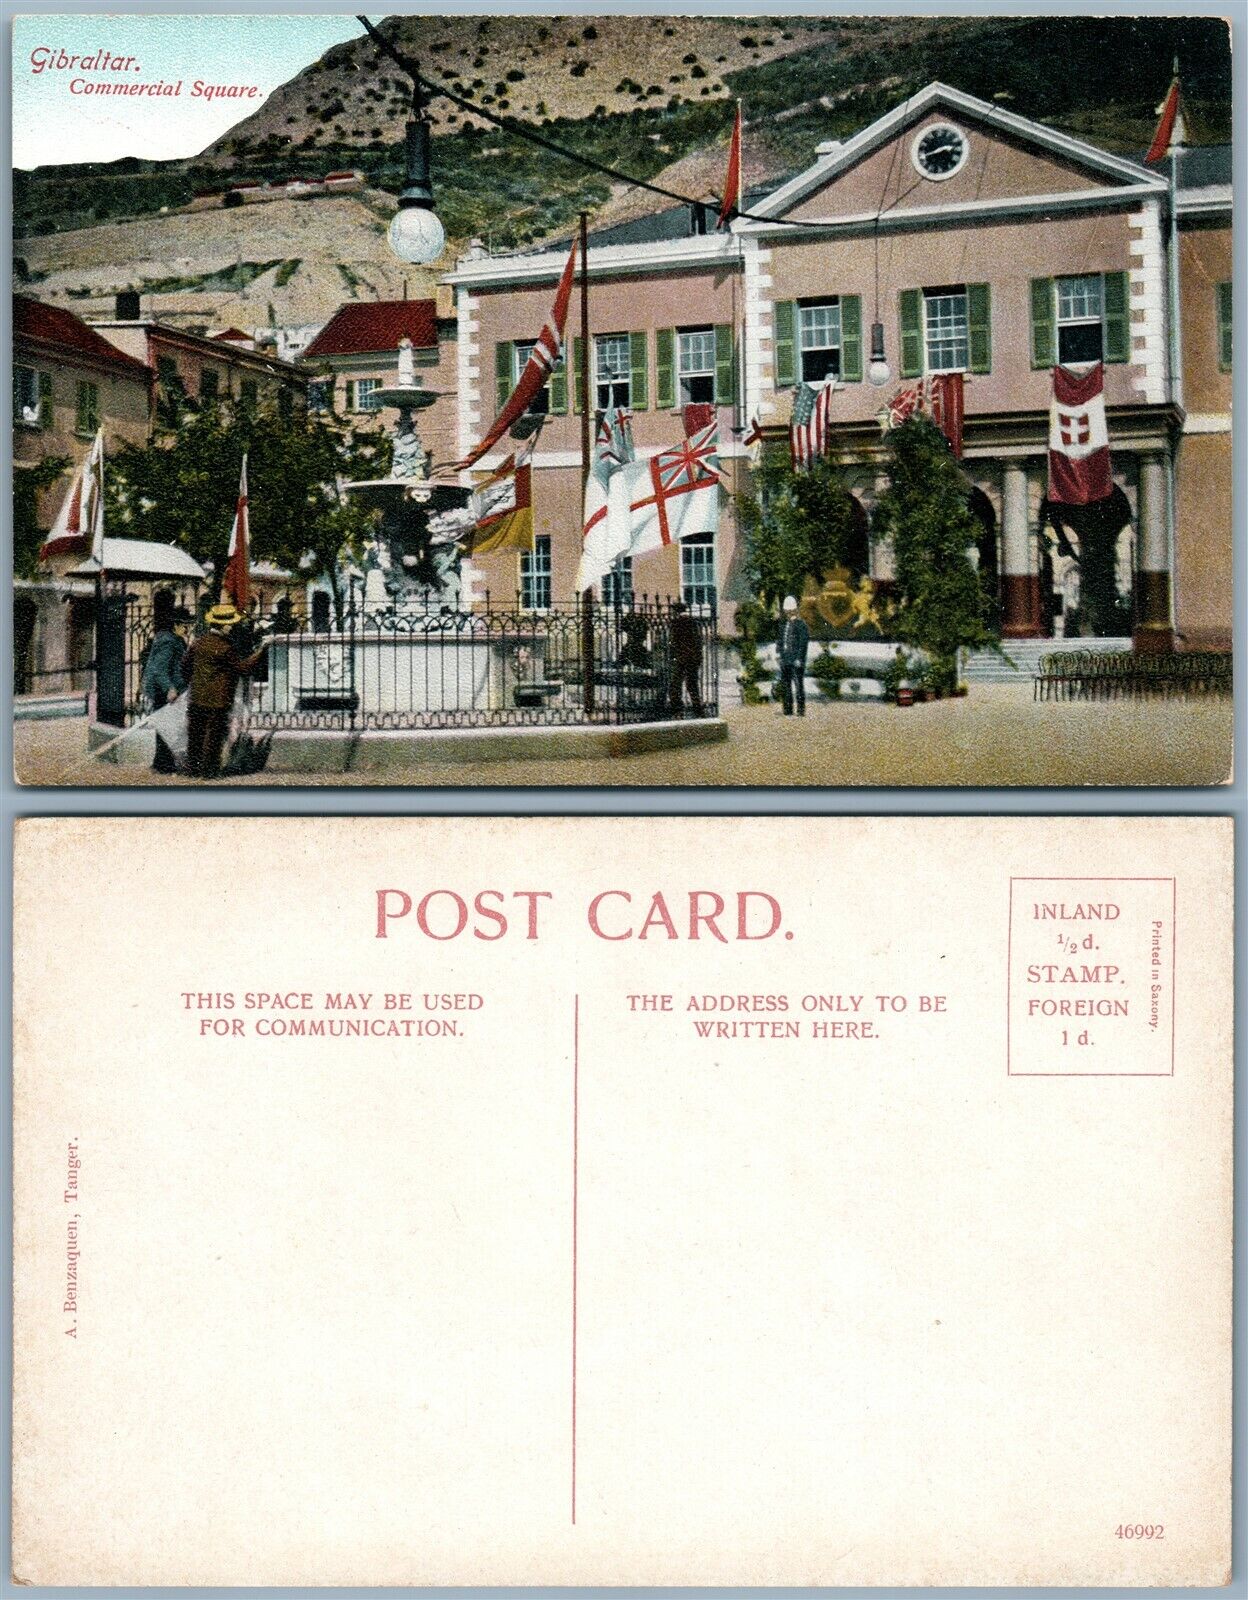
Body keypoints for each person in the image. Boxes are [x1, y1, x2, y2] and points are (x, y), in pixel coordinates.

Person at [181, 602, 270, 779]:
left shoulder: (198, 643)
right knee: (213, 736)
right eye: (232, 625)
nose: (233, 628)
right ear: (225, 626)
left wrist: (195, 682)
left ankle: (193, 769)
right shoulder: (225, 648)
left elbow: (184, 666)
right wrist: (261, 651)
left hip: (197, 697)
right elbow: (242, 668)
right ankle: (209, 771)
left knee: (196, 735)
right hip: (218, 700)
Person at [140, 590, 189, 774]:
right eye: (184, 626)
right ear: (175, 625)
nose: (187, 630)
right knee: (167, 728)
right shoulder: (169, 641)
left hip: (168, 689)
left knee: (167, 727)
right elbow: (159, 669)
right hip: (164, 691)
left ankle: (163, 763)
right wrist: (169, 688)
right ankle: (163, 764)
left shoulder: (171, 638)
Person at [668, 602, 704, 717]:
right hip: (694, 658)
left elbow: (673, 641)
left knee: (675, 685)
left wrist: (672, 654)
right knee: (692, 684)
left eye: (673, 611)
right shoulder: (693, 622)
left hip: (682, 658)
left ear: (676, 611)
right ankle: (698, 709)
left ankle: (677, 710)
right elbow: (698, 640)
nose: (672, 613)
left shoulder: (676, 623)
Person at [777, 595, 811, 717]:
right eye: (787, 611)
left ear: (794, 610)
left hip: (796, 660)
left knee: (798, 685)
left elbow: (803, 643)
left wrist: (799, 658)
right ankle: (788, 709)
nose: (788, 613)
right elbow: (780, 641)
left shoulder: (801, 625)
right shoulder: (784, 625)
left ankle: (800, 710)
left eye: (790, 611)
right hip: (785, 659)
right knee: (786, 685)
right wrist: (779, 655)